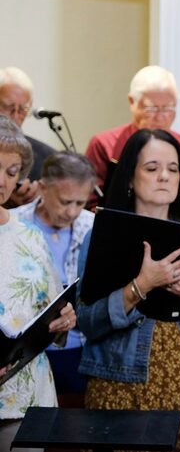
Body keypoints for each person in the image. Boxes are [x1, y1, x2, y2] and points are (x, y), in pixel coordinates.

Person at [76, 129, 180, 451]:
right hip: (122, 385)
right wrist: (141, 286)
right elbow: (88, 321)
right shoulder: (103, 236)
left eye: (173, 169)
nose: (164, 176)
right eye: (152, 168)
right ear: (130, 178)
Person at [0, 116, 76, 451]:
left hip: (28, 392)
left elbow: (51, 308)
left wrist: (64, 321)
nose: (2, 180)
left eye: (12, 171)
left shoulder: (29, 234)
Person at [11, 152, 96, 405]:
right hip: (24, 353)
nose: (72, 212)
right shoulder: (15, 224)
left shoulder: (92, 226)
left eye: (80, 203)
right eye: (65, 201)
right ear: (42, 188)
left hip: (77, 348)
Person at [84, 65, 180, 209]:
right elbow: (89, 202)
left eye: (168, 108)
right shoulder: (104, 144)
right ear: (132, 102)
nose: (160, 117)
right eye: (151, 108)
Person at [0, 67, 57, 207]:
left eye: (23, 109)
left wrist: (37, 203)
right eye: (8, 106)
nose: (15, 115)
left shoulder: (47, 157)